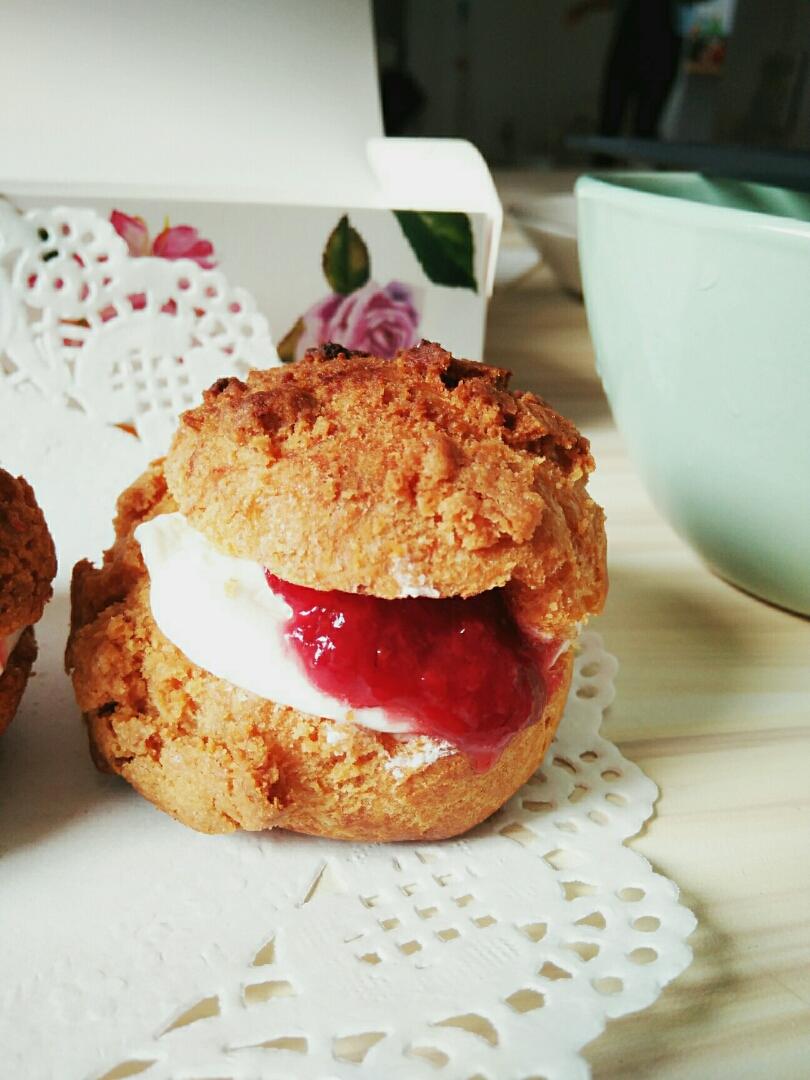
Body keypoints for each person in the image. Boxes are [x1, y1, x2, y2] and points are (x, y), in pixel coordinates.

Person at [567, 0, 685, 139]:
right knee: (613, 121)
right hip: (636, 48)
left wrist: (584, 8)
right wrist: (585, 7)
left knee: (641, 125)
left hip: (657, 52)